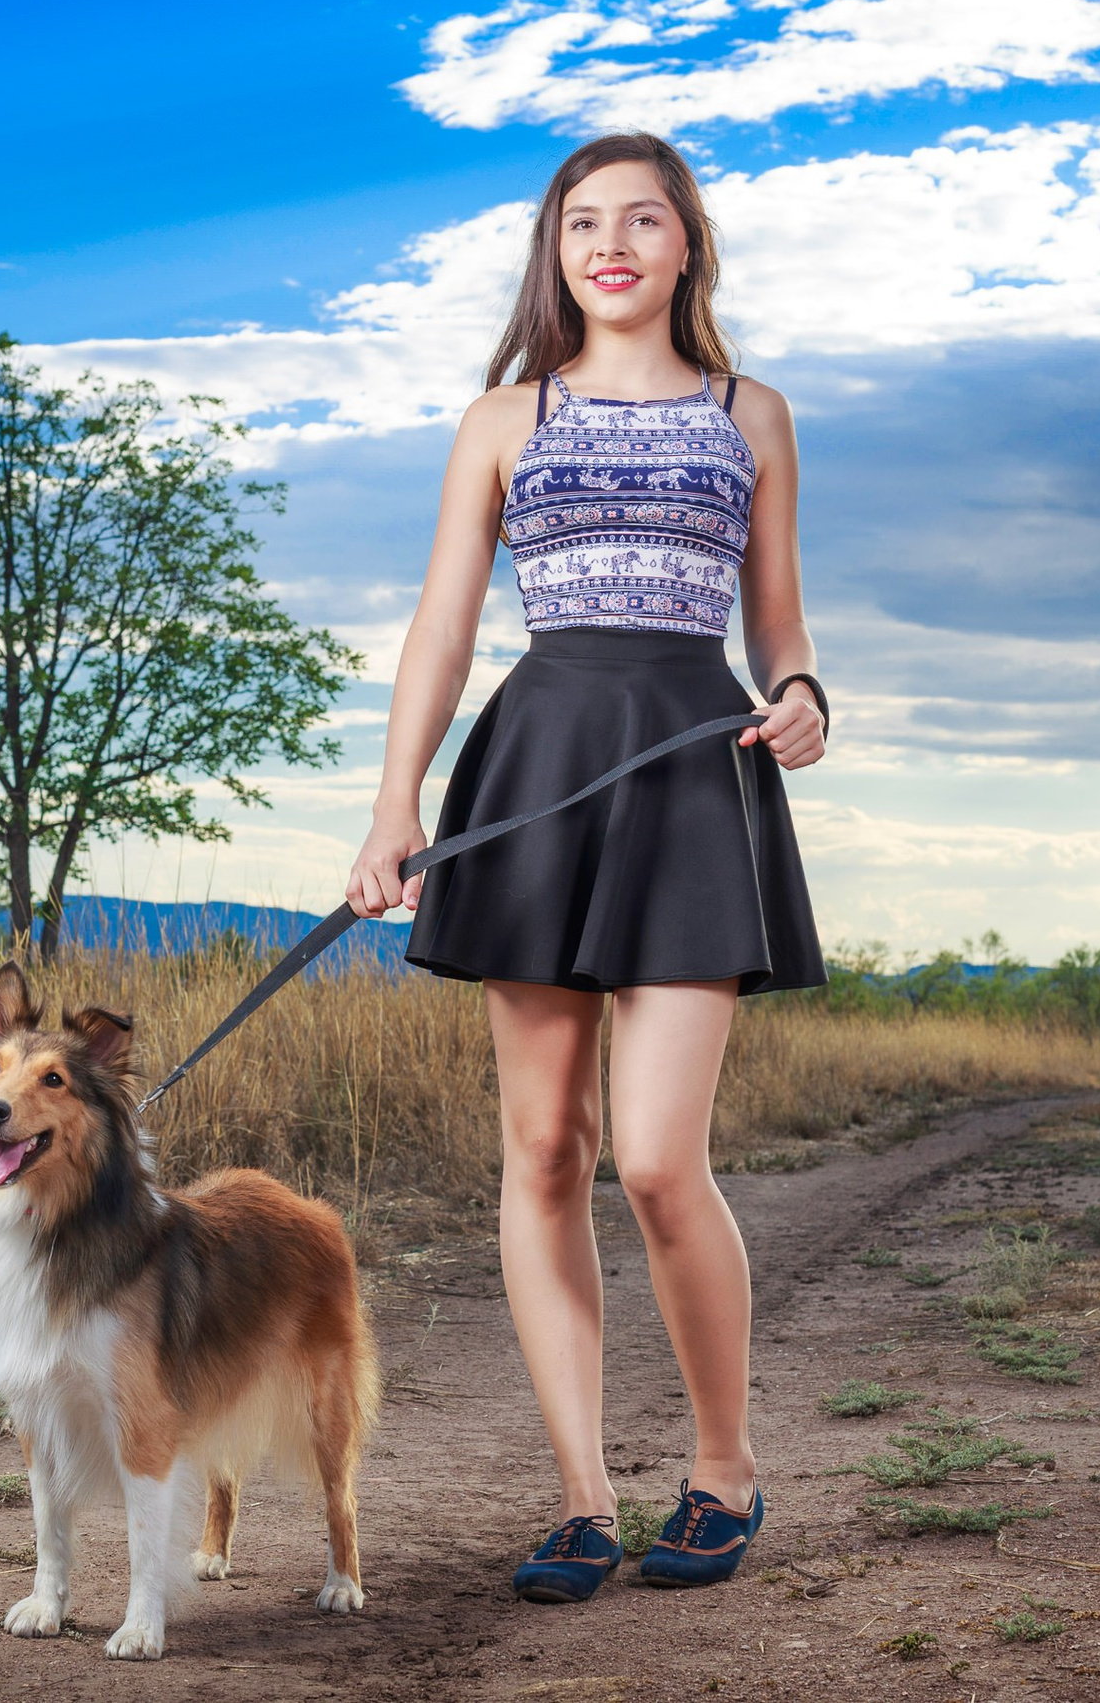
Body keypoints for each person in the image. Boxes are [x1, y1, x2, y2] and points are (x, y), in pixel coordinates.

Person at [344, 131, 830, 1604]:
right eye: (579, 225)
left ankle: (724, 1466)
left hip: (693, 765)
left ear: (687, 244)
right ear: (555, 254)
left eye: (640, 220)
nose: (609, 244)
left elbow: (780, 623)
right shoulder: (503, 419)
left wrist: (804, 696)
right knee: (542, 1146)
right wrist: (393, 804)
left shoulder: (754, 413)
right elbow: (441, 627)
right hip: (542, 762)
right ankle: (579, 1497)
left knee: (657, 1158)